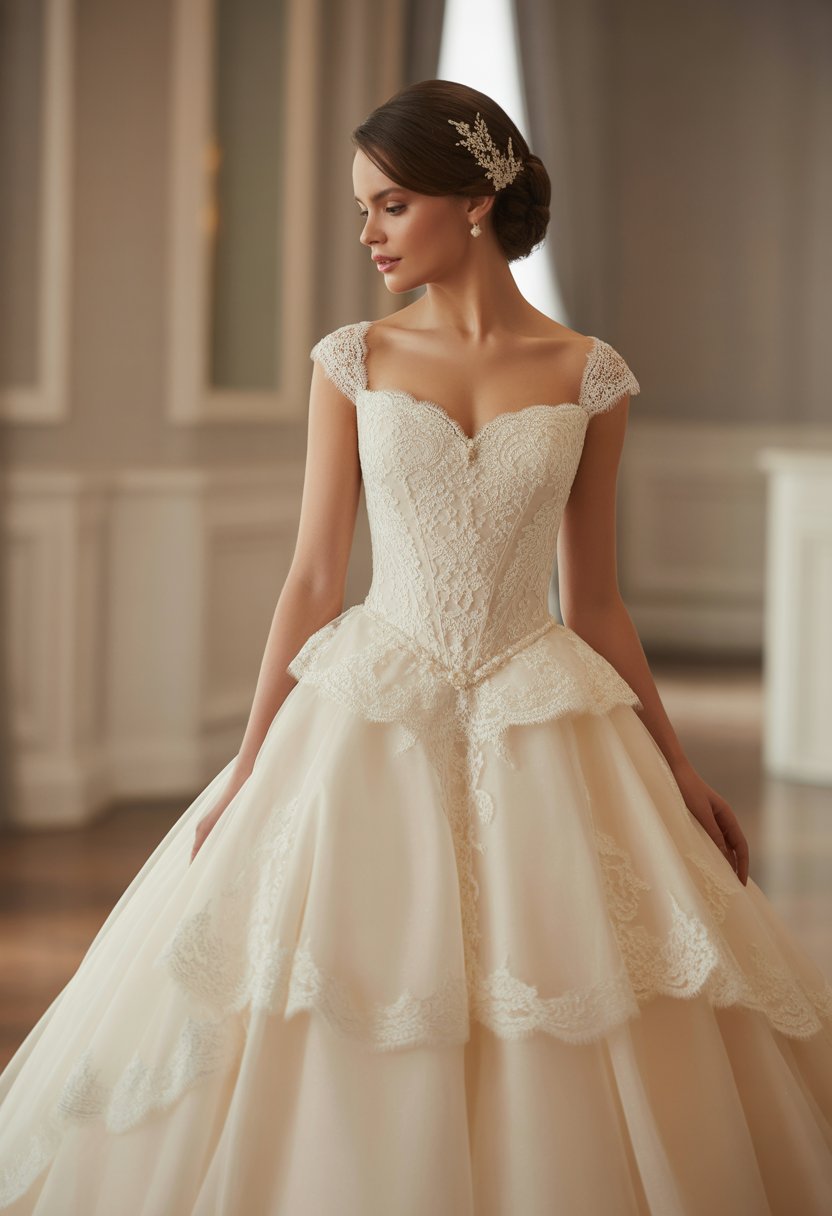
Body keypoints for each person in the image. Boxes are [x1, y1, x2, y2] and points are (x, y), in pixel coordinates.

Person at [1, 77, 831, 1216]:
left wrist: (678, 767)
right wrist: (251, 766)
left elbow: (596, 601)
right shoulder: (353, 360)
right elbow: (312, 575)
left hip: (542, 704)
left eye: (390, 205)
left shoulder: (590, 373)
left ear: (474, 200)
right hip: (371, 703)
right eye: (363, 210)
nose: (369, 235)